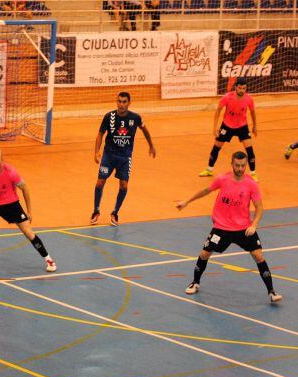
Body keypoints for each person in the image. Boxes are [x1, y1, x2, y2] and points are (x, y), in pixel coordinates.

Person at [176, 151, 282, 303]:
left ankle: (271, 292)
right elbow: (206, 190)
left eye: (243, 165)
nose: (240, 168)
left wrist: (254, 225)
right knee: (205, 254)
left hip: (243, 228)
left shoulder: (251, 183)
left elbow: (259, 208)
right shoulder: (222, 179)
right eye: (237, 165)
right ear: (232, 164)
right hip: (222, 227)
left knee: (258, 256)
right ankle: (195, 282)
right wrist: (187, 201)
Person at [91, 92, 156, 226]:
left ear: (129, 103)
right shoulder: (109, 117)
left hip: (125, 157)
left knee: (124, 185)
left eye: (124, 102)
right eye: (119, 101)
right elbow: (100, 134)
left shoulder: (135, 118)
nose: (121, 104)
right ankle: (96, 211)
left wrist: (151, 145)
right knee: (99, 182)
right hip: (108, 155)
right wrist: (97, 151)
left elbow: (144, 130)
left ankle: (115, 212)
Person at [199, 77, 259, 182]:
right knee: (216, 147)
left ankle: (253, 173)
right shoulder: (227, 97)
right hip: (227, 126)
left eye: (244, 89)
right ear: (235, 87)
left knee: (250, 150)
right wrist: (215, 128)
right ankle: (209, 169)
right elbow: (218, 112)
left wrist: (254, 126)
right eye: (240, 88)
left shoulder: (249, 99)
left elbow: (253, 112)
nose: (241, 91)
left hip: (242, 126)